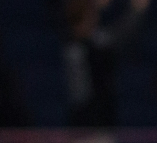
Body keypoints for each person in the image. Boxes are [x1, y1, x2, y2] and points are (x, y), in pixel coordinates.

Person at [61, 0, 149, 128]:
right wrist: (137, 12)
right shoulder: (88, 46)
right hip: (89, 125)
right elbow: (118, 37)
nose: (95, 20)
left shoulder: (79, 42)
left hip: (93, 122)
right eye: (92, 16)